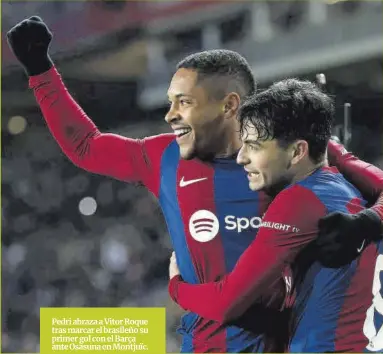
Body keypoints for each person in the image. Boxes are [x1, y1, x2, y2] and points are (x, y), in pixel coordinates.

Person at [6, 16, 383, 353]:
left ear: (229, 105)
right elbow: (85, 147)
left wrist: (367, 222)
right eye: (171, 102)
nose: (170, 115)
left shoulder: (297, 152)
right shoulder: (163, 158)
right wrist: (41, 73)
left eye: (183, 102)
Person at [168, 79, 380, 352]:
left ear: (296, 151)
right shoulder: (352, 189)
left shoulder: (299, 200)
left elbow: (226, 303)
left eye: (254, 146)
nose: (241, 158)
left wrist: (177, 286)